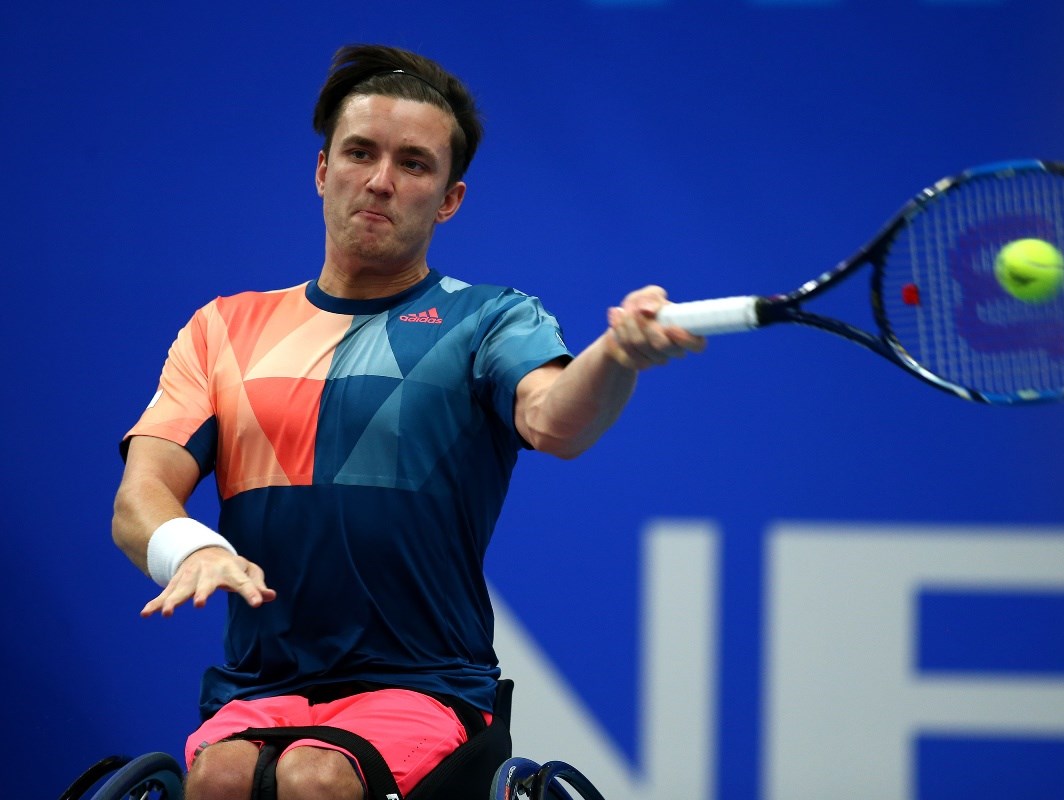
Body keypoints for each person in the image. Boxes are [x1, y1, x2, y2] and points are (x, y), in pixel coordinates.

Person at [112, 43, 703, 800]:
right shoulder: (222, 328)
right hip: (258, 684)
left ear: (449, 198)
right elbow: (141, 497)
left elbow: (557, 420)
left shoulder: (489, 320)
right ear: (323, 170)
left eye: (414, 164)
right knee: (222, 776)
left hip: (424, 686)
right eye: (360, 153)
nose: (381, 181)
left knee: (314, 777)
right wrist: (187, 548)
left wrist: (616, 354)